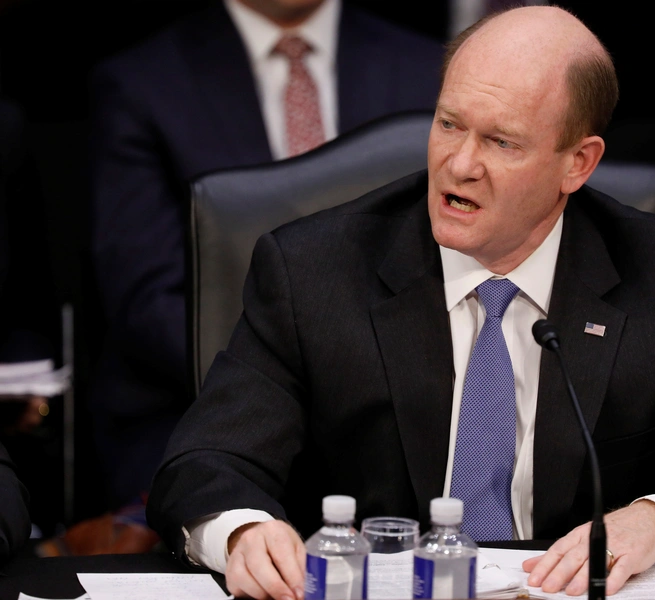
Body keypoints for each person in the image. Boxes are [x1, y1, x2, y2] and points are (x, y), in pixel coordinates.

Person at [147, 5, 655, 599]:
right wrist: (243, 531)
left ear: (579, 162)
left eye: (501, 141)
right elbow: (205, 463)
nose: (459, 164)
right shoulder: (314, 272)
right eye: (449, 124)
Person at [87, 0, 445, 530]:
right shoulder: (143, 80)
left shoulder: (428, 67)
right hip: (195, 409)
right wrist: (288, 376)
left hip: (403, 413)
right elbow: (146, 296)